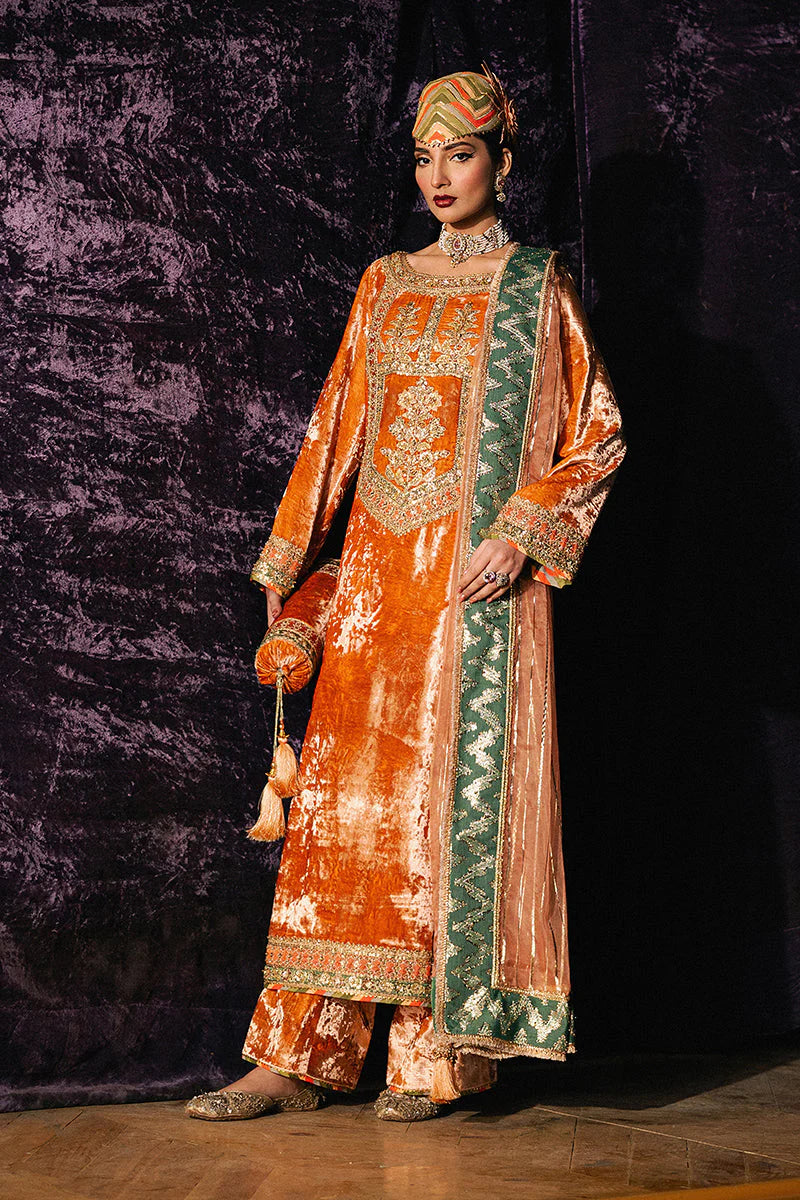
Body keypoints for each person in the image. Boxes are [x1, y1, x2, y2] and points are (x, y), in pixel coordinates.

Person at [186, 65, 626, 1124]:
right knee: (341, 822)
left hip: (471, 600)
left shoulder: (535, 286)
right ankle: (293, 1056)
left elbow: (597, 434)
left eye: (459, 154)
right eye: (424, 157)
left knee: (443, 825)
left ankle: (430, 1060)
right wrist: (286, 558)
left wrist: (520, 534)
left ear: (501, 164)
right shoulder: (384, 282)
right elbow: (335, 421)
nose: (438, 176)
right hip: (375, 587)